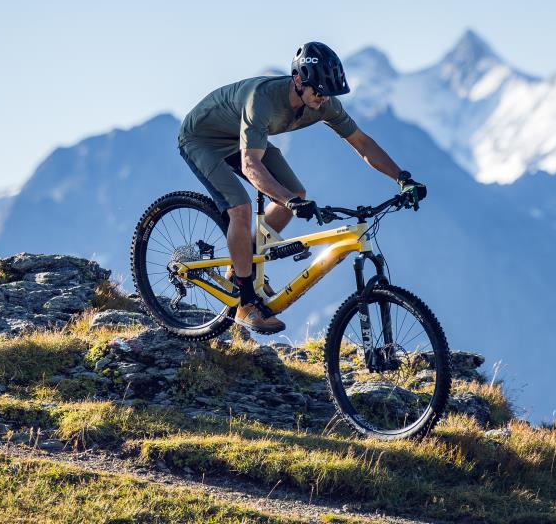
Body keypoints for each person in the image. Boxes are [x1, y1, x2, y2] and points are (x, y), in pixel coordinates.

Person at [176, 42, 425, 333]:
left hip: (241, 138)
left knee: (299, 195)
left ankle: (239, 269)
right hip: (201, 139)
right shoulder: (262, 101)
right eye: (318, 92)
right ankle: (245, 303)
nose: (323, 99)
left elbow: (362, 143)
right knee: (241, 208)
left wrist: (402, 178)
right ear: (298, 81)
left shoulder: (324, 103)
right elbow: (250, 165)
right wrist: (287, 200)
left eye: (328, 93)